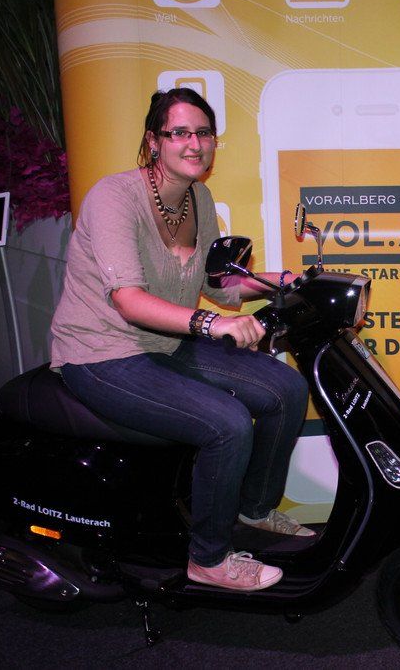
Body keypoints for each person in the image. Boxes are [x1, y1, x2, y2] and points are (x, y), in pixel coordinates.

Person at [49, 87, 311, 593]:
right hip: (102, 353)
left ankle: (254, 510)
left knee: (286, 389)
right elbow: (128, 300)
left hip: (165, 344)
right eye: (180, 133)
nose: (195, 144)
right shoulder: (114, 197)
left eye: (204, 133)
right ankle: (207, 560)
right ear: (154, 141)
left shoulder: (198, 198)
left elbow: (220, 284)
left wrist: (282, 281)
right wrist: (212, 325)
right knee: (228, 424)